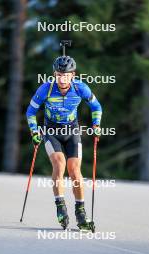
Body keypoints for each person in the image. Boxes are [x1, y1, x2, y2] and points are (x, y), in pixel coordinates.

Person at [26, 55, 102, 230]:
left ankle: (81, 212)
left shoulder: (80, 87)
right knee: (59, 165)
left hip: (72, 131)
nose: (62, 78)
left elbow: (96, 106)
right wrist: (34, 130)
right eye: (59, 75)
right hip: (51, 131)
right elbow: (31, 111)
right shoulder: (46, 88)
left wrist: (96, 124)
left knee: (75, 171)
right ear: (54, 74)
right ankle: (60, 207)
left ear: (72, 75)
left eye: (65, 75)